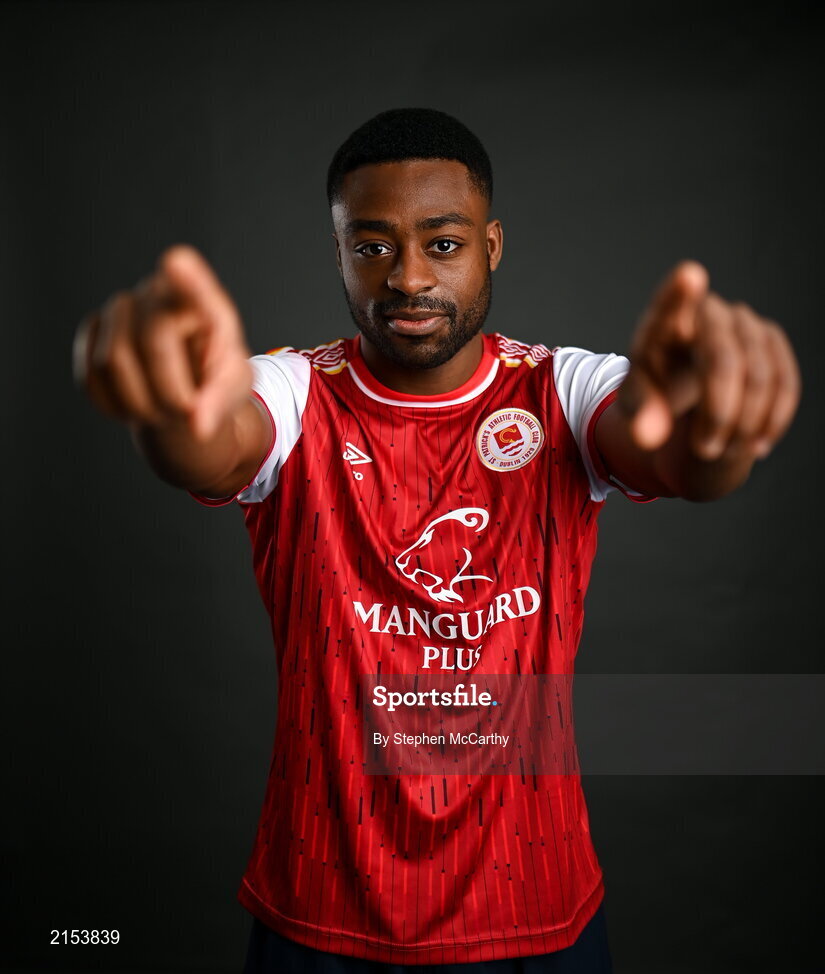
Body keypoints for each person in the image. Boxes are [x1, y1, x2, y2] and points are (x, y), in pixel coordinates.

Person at [74, 108, 801, 973]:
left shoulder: (560, 390)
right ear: (338, 251)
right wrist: (165, 413)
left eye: (442, 243)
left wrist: (715, 433)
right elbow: (216, 439)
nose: (408, 276)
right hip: (321, 914)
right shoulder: (297, 389)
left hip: (537, 907)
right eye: (372, 246)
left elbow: (668, 449)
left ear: (491, 244)